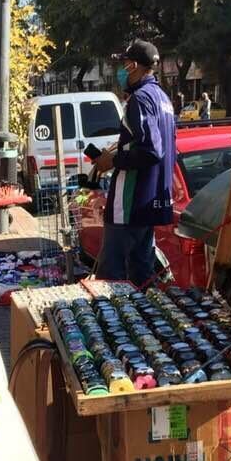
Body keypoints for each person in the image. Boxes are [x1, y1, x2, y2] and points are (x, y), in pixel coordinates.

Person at [93, 39, 176, 287]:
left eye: (125, 64)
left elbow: (152, 150)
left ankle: (109, 326)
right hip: (149, 202)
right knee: (142, 274)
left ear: (135, 66)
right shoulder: (163, 99)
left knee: (110, 278)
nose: (121, 70)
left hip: (130, 202)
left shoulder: (139, 99)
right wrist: (118, 149)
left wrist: (113, 160)